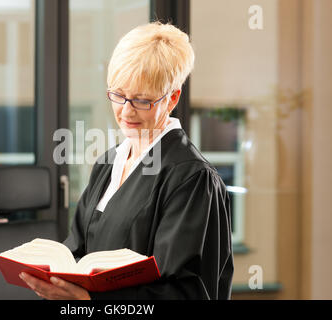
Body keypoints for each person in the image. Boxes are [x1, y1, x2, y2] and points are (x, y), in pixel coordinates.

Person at [19, 22, 234, 300]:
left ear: (172, 99)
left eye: (142, 100)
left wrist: (90, 301)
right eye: (118, 95)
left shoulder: (191, 178)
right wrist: (55, 280)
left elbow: (189, 293)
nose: (126, 112)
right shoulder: (108, 164)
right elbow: (78, 251)